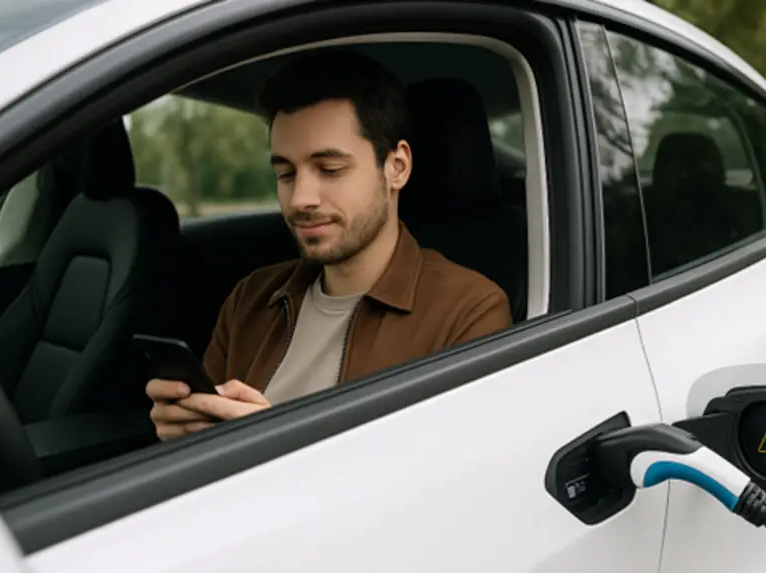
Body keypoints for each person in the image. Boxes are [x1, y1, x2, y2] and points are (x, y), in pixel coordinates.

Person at [146, 50, 513, 441]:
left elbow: (452, 482)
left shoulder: (468, 311)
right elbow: (206, 455)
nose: (300, 198)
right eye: (285, 173)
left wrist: (273, 445)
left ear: (397, 167)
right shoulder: (251, 299)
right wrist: (183, 432)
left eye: (329, 169)